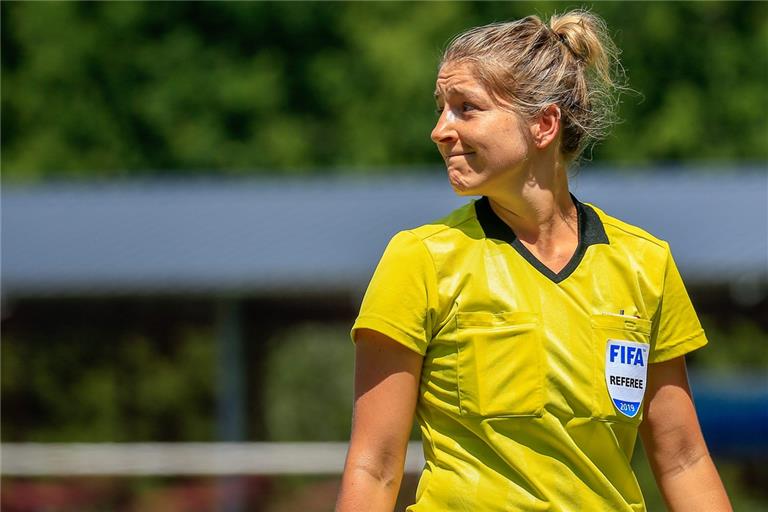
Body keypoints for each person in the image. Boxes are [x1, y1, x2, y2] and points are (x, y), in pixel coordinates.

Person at [336, 10, 732, 512]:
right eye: (441, 108)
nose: (440, 130)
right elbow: (375, 465)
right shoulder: (418, 259)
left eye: (466, 108)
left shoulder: (645, 263)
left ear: (543, 124)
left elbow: (683, 461)